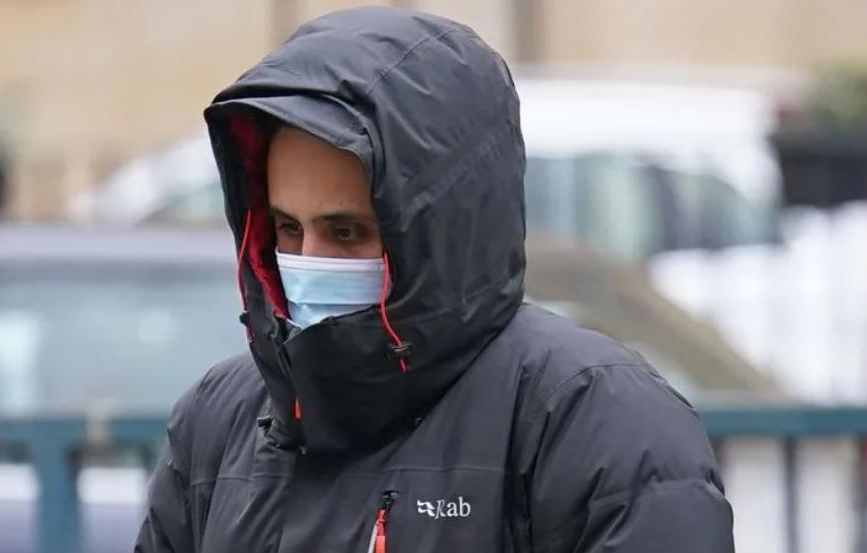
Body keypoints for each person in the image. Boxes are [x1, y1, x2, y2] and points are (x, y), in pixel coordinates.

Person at [135, 6, 734, 553]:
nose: (309, 262)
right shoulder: (219, 418)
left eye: (346, 233)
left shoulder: (595, 420)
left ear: (439, 230)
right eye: (288, 229)